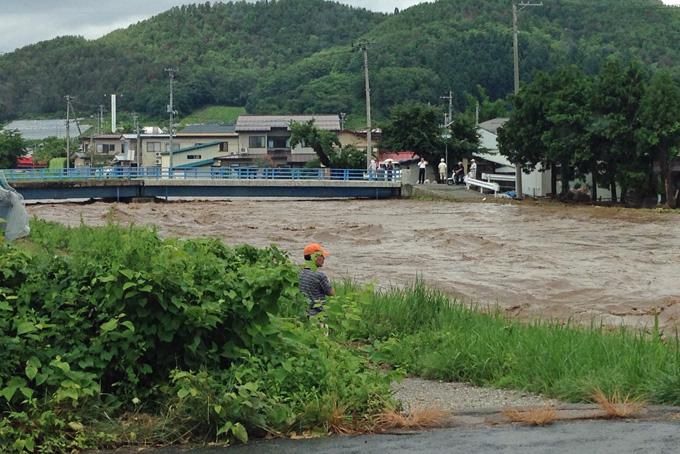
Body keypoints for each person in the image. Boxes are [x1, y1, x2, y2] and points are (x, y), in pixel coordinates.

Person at [299, 243, 335, 316]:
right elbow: (331, 293)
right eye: (322, 256)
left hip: (303, 313)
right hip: (317, 315)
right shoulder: (319, 276)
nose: (324, 258)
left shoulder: (299, 273)